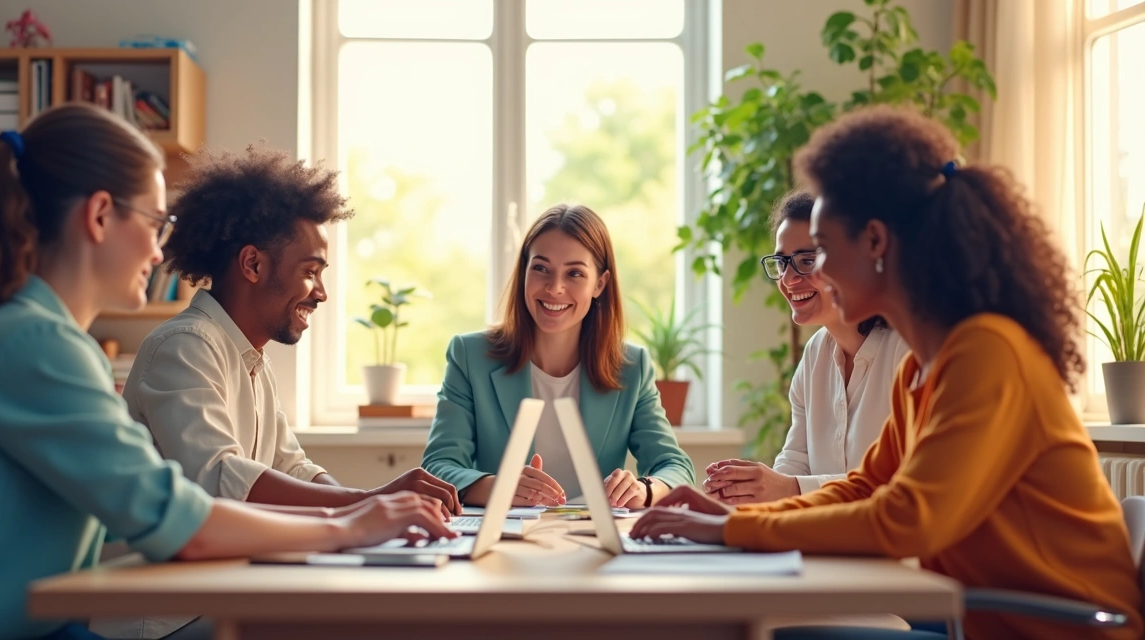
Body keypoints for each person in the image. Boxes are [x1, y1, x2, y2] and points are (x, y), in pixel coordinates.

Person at [0, 104, 453, 640]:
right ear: (100, 215)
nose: (160, 252)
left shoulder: (42, 339)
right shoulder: (35, 343)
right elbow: (179, 517)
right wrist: (349, 523)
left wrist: (360, 515)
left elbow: (239, 481)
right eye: (156, 223)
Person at [630, 105, 1142, 640]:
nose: (815, 273)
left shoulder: (986, 352)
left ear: (875, 242)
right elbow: (867, 486)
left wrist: (733, 530)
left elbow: (906, 516)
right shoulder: (922, 369)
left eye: (823, 250)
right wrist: (725, 522)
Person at [123, 144, 461, 517]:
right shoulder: (186, 347)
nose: (321, 293)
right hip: (157, 574)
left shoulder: (252, 360)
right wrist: (370, 502)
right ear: (253, 264)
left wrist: (366, 507)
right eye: (310, 272)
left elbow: (292, 467)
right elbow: (220, 479)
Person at [422, 203, 694, 509]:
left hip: (595, 537)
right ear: (524, 271)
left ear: (599, 284)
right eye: (540, 268)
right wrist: (499, 487)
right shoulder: (470, 356)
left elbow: (676, 467)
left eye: (575, 273)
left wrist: (645, 490)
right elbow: (437, 467)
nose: (555, 288)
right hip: (507, 536)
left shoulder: (632, 366)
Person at [703, 190, 909, 505]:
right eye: (782, 262)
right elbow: (796, 459)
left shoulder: (907, 351)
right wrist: (752, 490)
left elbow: (901, 482)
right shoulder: (815, 354)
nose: (788, 279)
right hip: (828, 542)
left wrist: (790, 489)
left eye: (807, 260)